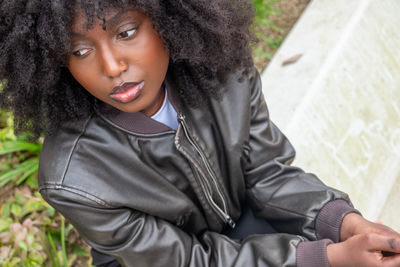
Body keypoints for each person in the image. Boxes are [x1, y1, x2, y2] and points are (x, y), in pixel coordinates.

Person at [1, 0, 400, 266]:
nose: (111, 66)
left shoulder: (224, 72)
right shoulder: (74, 179)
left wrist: (342, 223)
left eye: (125, 33)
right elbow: (189, 260)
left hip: (241, 220)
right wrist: (326, 258)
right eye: (81, 51)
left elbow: (269, 174)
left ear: (167, 20)